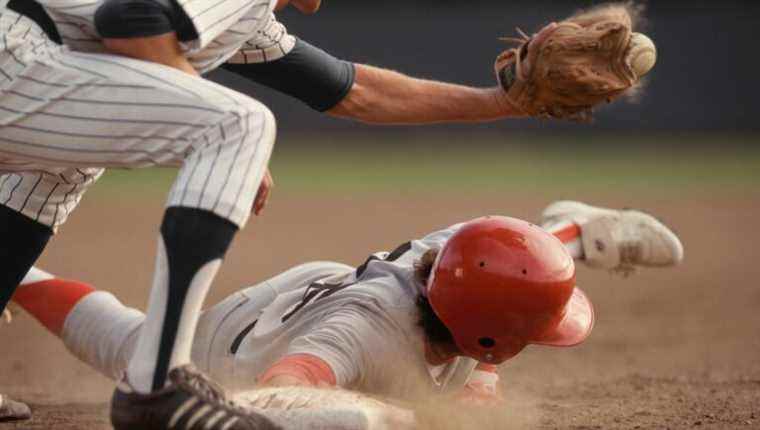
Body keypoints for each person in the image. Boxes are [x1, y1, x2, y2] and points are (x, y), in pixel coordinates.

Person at [0, 1, 647, 426]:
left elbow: (355, 92)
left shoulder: (249, 19)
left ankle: (145, 370)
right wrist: (207, 122)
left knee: (50, 182)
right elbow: (133, 15)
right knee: (239, 125)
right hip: (17, 54)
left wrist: (503, 102)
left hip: (46, 69)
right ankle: (155, 389)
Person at [12, 201, 683, 412]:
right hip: (234, 346)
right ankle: (13, 271)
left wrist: (569, 233)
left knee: (464, 384)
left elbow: (507, 245)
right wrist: (385, 420)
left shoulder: (454, 258)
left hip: (335, 286)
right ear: (488, 337)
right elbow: (283, 389)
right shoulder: (363, 339)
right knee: (135, 346)